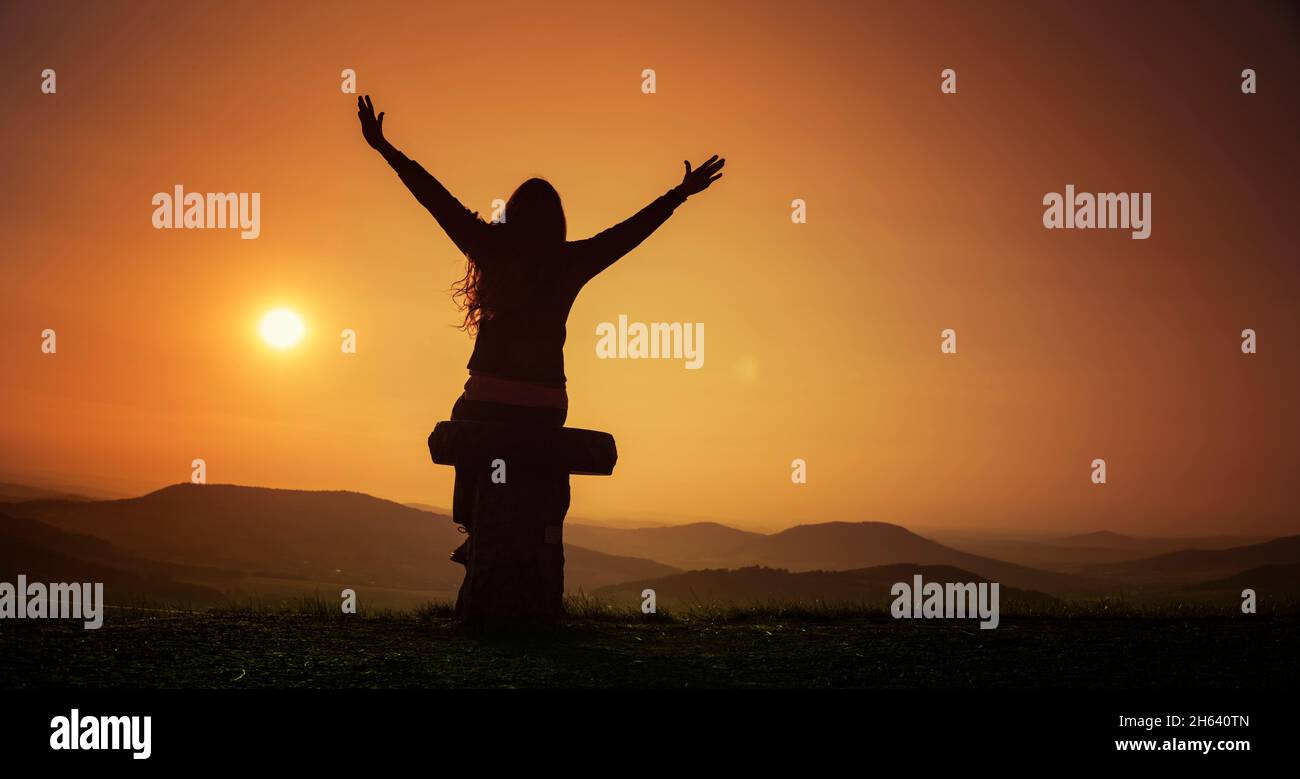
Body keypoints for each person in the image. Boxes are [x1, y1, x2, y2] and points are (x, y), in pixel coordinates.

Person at [357, 94, 724, 562]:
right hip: (546, 404)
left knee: (463, 417)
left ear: (511, 214)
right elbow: (628, 233)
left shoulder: (489, 246)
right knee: (545, 456)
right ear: (558, 222)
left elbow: (435, 198)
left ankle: (472, 525)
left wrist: (384, 149)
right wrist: (678, 194)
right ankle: (547, 530)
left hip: (487, 401)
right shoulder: (570, 261)